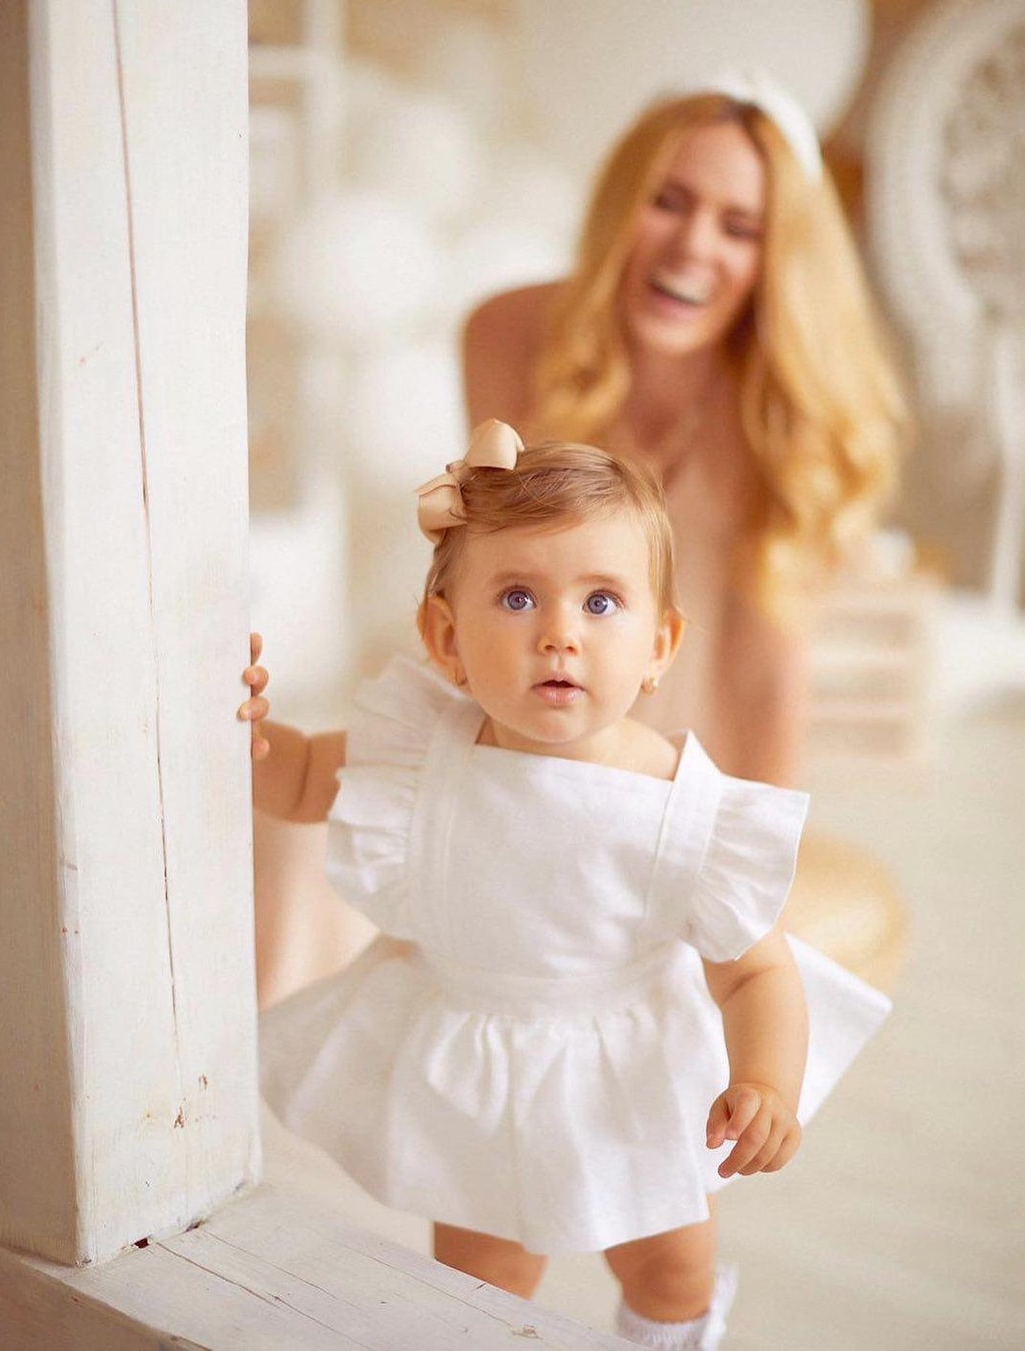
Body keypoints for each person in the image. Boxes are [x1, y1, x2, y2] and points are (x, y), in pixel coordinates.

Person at [240, 421, 890, 1350]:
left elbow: (755, 973)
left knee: (671, 1265)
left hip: (633, 1067)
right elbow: (304, 779)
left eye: (601, 602)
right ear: (446, 636)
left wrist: (765, 1079)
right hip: (481, 1067)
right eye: (516, 596)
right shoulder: (427, 755)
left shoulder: (681, 806)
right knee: (484, 1282)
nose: (559, 635)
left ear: (660, 643)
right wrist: (251, 739)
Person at [462, 73, 909, 786]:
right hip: (525, 756)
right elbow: (487, 583)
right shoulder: (507, 335)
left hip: (692, 789)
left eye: (740, 228)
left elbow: (770, 669)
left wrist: (753, 851)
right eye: (665, 202)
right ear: (617, 205)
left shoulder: (787, 407)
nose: (692, 247)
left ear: (777, 260)